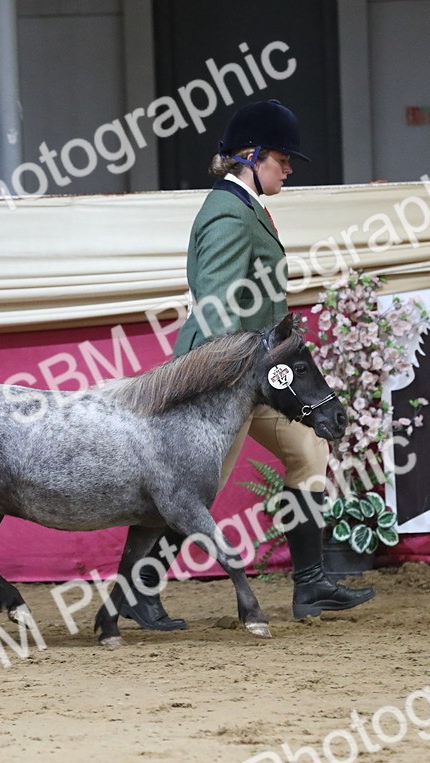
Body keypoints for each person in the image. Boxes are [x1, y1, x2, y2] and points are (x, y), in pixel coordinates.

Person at [121, 99, 375, 630]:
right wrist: (231, 382)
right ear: (250, 155)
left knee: (309, 447)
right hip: (225, 376)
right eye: (282, 158)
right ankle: (137, 595)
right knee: (196, 487)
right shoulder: (226, 214)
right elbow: (215, 306)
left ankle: (310, 586)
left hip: (259, 373)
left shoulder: (249, 207)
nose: (288, 167)